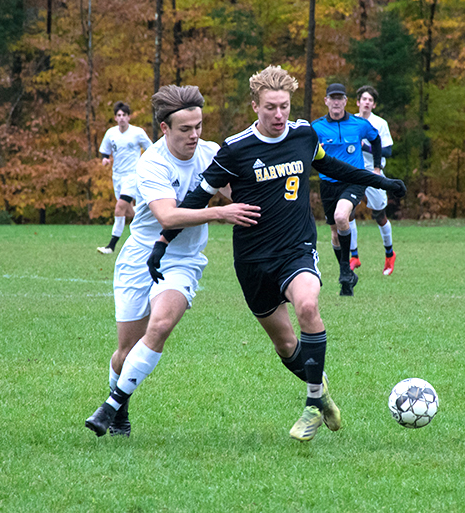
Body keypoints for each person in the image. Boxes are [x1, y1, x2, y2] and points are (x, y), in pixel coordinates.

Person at [147, 66, 406, 442]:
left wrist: (380, 180)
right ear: (255, 106)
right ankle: (324, 394)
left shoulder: (304, 134)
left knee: (307, 307)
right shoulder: (234, 149)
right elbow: (197, 199)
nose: (279, 114)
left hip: (296, 248)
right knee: (286, 345)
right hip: (253, 259)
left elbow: (330, 166)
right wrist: (161, 244)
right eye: (271, 107)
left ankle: (312, 404)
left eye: (284, 106)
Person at [85, 85, 260, 437]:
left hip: (183, 259)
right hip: (141, 257)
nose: (195, 135)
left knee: (162, 325)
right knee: (125, 350)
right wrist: (219, 213)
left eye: (198, 126)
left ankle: (111, 406)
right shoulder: (151, 162)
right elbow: (168, 216)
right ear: (164, 128)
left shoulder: (211, 152)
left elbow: (237, 190)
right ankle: (121, 407)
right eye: (185, 129)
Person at [311, 84, 382, 296]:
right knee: (334, 233)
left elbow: (376, 139)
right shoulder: (317, 127)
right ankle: (348, 277)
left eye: (339, 98)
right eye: (332, 98)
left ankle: (344, 270)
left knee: (342, 217)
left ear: (345, 101)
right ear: (326, 101)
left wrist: (377, 167)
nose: (336, 102)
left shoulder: (359, 124)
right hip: (328, 184)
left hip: (353, 180)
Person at [350, 85, 397, 275]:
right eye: (364, 99)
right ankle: (354, 256)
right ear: (358, 102)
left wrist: (366, 147)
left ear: (373, 105)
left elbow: (388, 151)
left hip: (374, 173)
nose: (367, 103)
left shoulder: (380, 123)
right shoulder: (350, 121)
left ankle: (389, 254)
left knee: (379, 215)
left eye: (370, 100)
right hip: (353, 171)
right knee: (347, 212)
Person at [96, 101, 153, 254]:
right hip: (117, 177)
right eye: (118, 115)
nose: (121, 118)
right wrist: (105, 159)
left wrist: (146, 166)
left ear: (129, 117)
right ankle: (152, 230)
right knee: (129, 212)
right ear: (115, 118)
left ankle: (111, 246)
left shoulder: (137, 132)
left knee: (119, 208)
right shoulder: (111, 133)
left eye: (124, 115)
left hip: (132, 176)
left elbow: (151, 149)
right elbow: (105, 151)